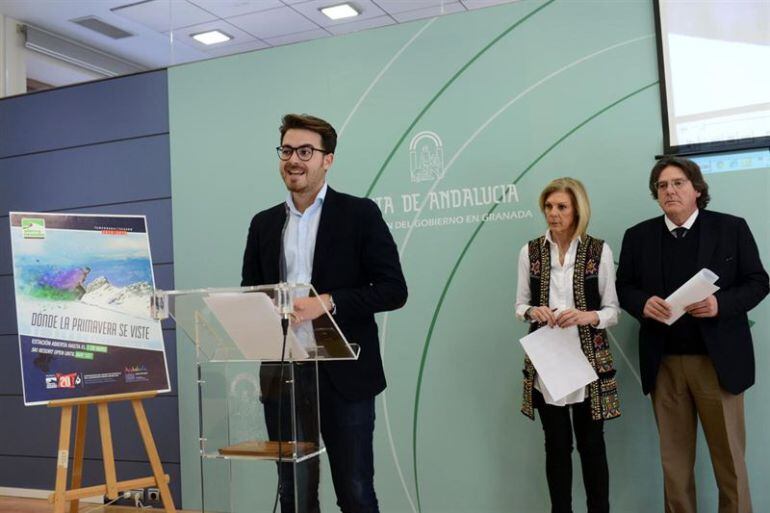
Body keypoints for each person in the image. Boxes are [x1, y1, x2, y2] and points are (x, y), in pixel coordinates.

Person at [241, 113, 408, 513]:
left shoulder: (359, 214)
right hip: (283, 375)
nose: (293, 160)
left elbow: (393, 290)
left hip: (344, 374)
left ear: (327, 160)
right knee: (295, 493)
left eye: (305, 151)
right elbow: (251, 294)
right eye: (286, 151)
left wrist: (328, 301)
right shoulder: (264, 223)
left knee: (354, 490)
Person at [616, 156, 768, 513]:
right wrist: (642, 303)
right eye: (662, 186)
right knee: (674, 465)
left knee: (729, 462)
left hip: (718, 364)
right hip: (664, 363)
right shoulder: (637, 237)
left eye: (678, 183)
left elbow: (759, 282)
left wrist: (720, 304)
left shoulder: (731, 228)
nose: (670, 191)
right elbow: (623, 287)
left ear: (697, 189)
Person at [517, 177, 621, 513]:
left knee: (593, 446)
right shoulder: (530, 251)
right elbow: (520, 306)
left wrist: (586, 317)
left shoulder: (598, 250)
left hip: (588, 360)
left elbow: (612, 311)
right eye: (548, 206)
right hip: (547, 361)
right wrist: (534, 310)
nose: (553, 213)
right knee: (556, 447)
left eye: (561, 206)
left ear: (577, 209)